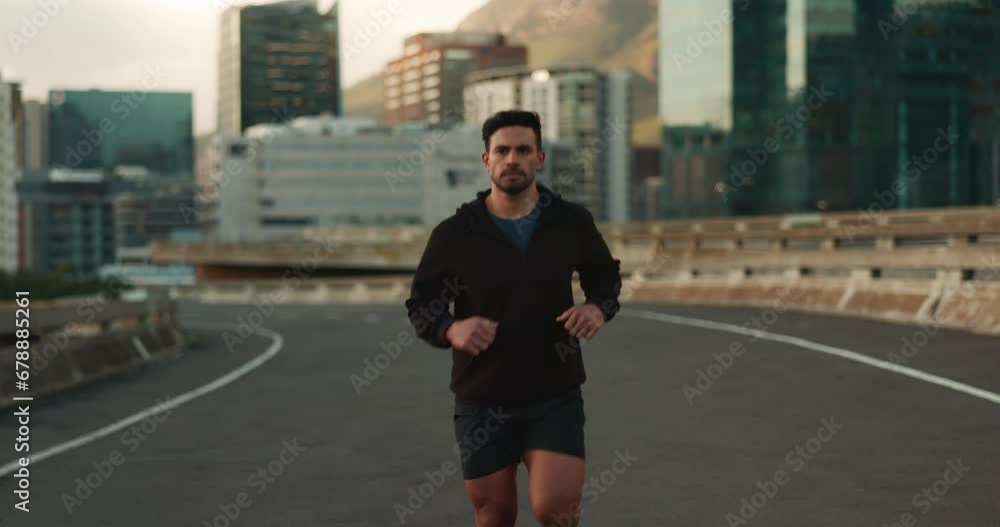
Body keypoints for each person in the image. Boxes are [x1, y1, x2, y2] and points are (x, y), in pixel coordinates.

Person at [404, 110, 622, 527]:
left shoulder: (570, 221)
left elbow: (605, 275)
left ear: (539, 158)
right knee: (494, 514)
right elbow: (422, 302)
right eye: (502, 151)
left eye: (523, 150)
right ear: (486, 160)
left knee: (556, 510)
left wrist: (597, 306)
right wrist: (450, 328)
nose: (512, 160)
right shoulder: (454, 233)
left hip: (554, 392)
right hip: (482, 397)